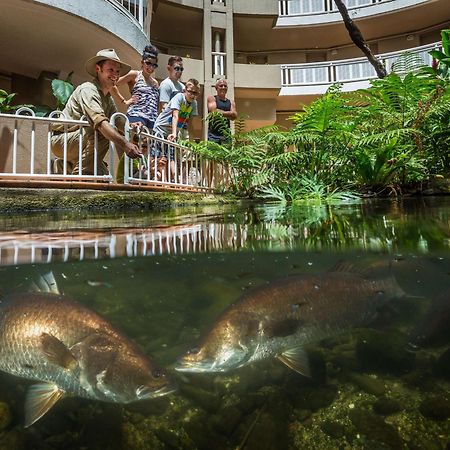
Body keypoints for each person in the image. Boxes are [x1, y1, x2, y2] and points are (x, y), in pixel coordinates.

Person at [51, 48, 142, 175]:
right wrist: (125, 144)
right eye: (110, 70)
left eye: (117, 71)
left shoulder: (107, 97)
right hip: (62, 140)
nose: (115, 74)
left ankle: (65, 165)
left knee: (103, 176)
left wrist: (132, 127)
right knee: (103, 130)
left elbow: (118, 121)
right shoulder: (88, 89)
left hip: (79, 141)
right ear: (98, 69)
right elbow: (100, 124)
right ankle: (82, 174)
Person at [152, 79, 201, 180]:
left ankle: (173, 180)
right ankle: (164, 181)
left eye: (195, 93)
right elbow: (175, 115)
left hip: (173, 132)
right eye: (190, 91)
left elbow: (191, 122)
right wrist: (174, 132)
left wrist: (191, 142)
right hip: (161, 129)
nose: (192, 95)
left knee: (171, 157)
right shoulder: (179, 97)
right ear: (185, 91)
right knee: (161, 156)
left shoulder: (193, 104)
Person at [112, 44, 160, 131]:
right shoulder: (134, 75)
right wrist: (124, 101)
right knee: (136, 141)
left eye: (154, 65)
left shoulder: (155, 83)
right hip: (136, 116)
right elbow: (113, 83)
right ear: (142, 62)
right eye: (148, 63)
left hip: (152, 121)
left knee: (149, 144)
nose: (151, 67)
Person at [207, 78, 237, 144]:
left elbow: (234, 115)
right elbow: (213, 112)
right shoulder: (212, 98)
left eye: (225, 86)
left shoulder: (231, 102)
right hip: (213, 136)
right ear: (216, 88)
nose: (223, 87)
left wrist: (220, 112)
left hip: (226, 136)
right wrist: (229, 113)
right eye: (221, 86)